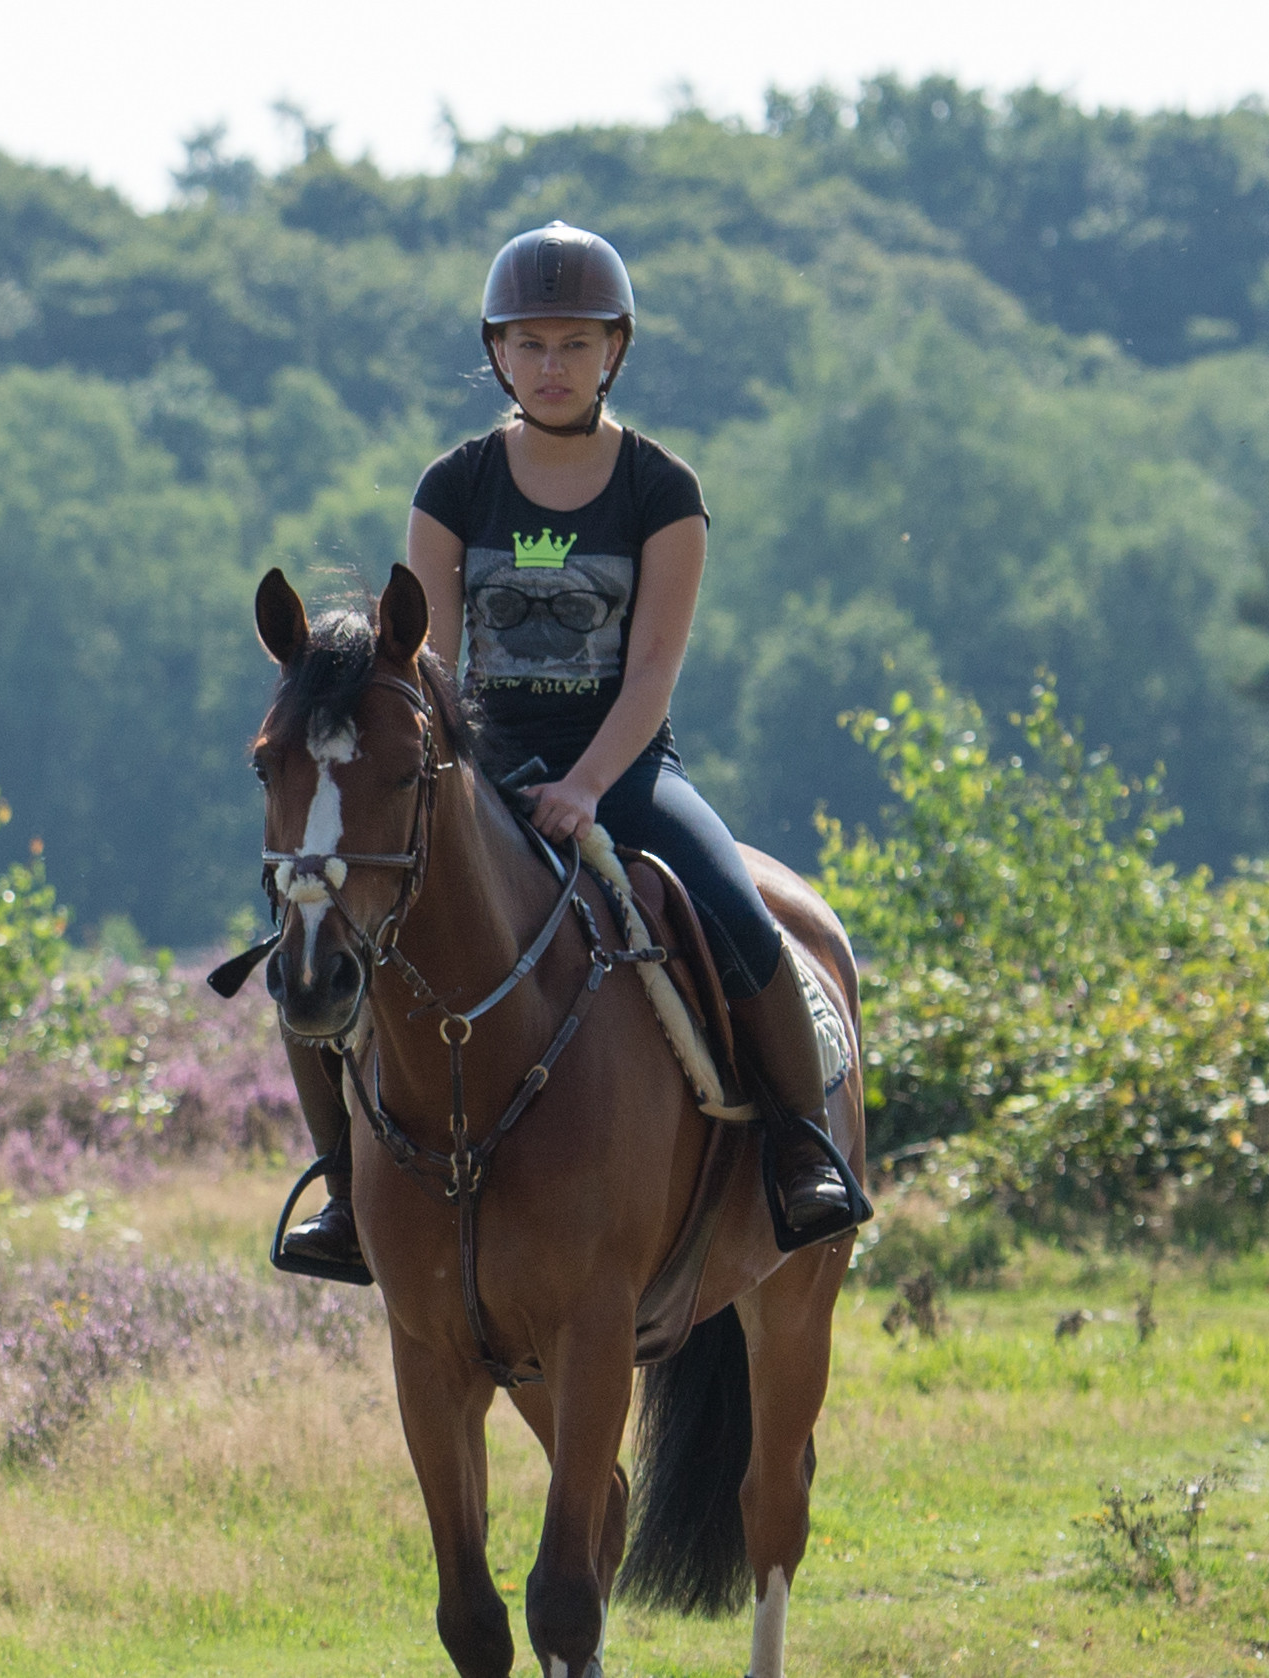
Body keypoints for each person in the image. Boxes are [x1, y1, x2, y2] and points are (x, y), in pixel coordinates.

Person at [276, 220, 859, 1275]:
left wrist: (589, 786)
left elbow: (651, 673)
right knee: (307, 929)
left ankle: (798, 1153)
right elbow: (430, 663)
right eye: (531, 344)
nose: (553, 366)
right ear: (497, 352)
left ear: (614, 353)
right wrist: (468, 788)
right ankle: (344, 1194)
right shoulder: (452, 488)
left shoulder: (661, 490)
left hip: (626, 768)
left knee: (740, 918)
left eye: (576, 345)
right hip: (476, 772)